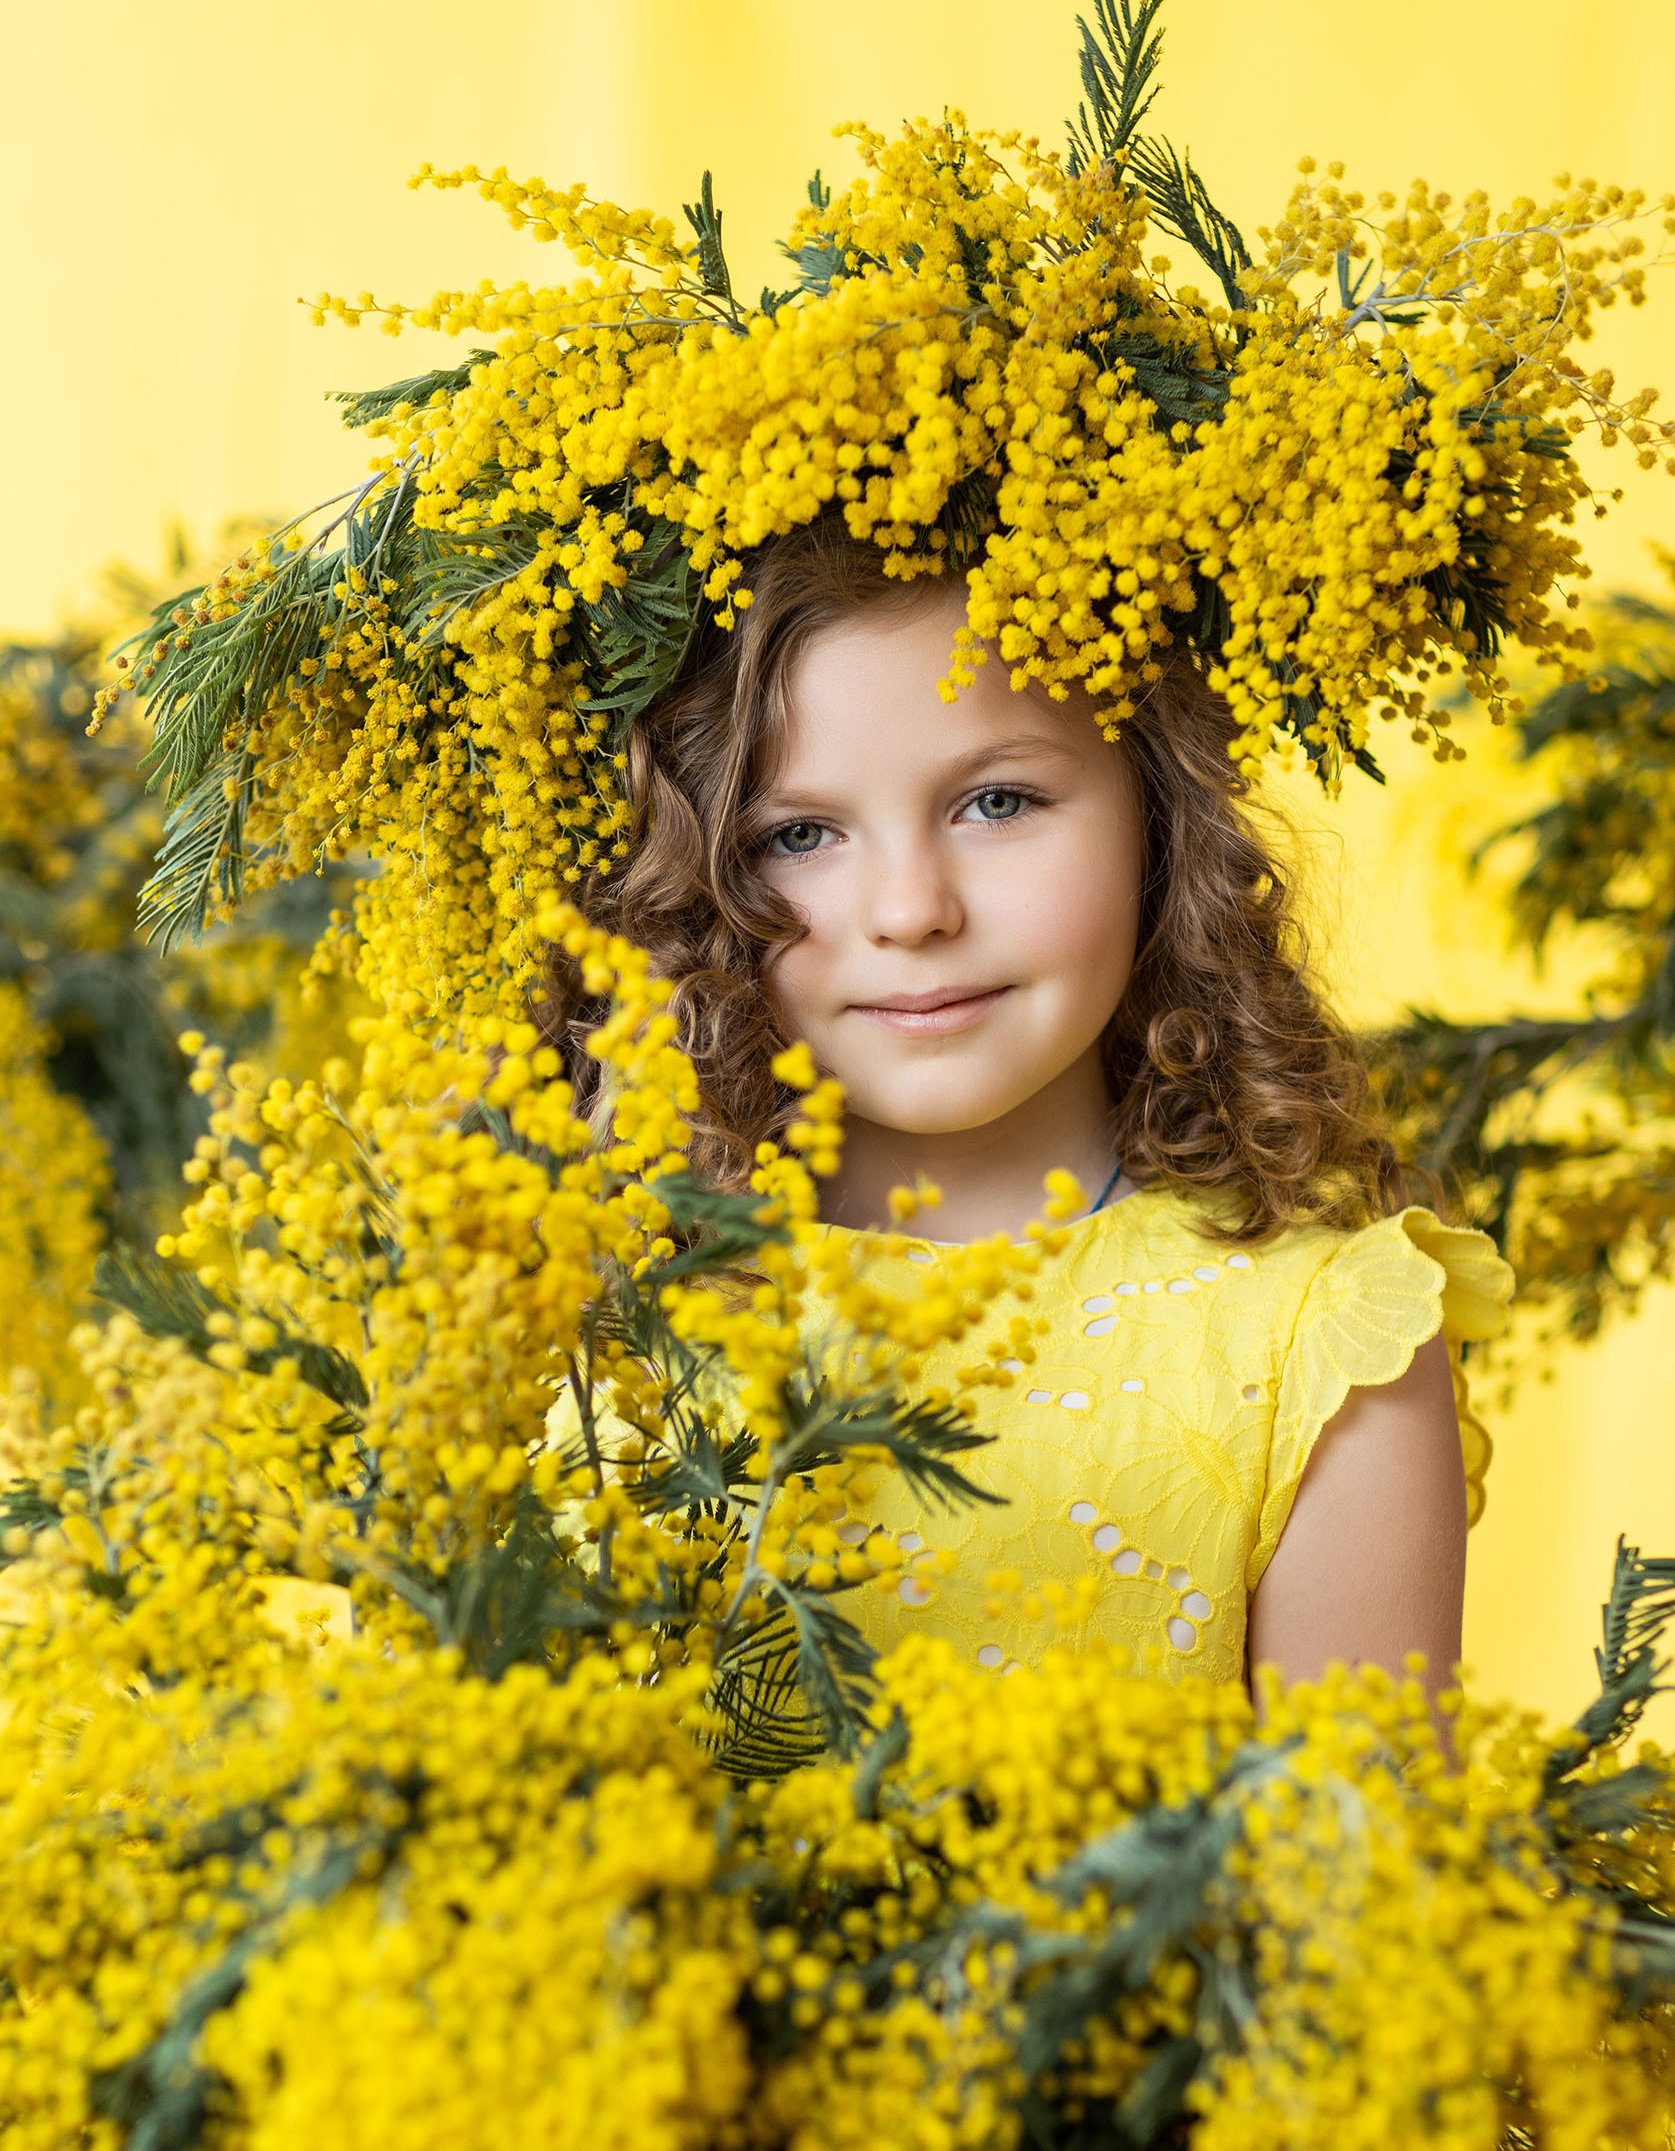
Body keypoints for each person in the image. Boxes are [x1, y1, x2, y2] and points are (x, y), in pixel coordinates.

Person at [563, 511, 1512, 1700]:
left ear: (1160, 818)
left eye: (997, 802)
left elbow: (1360, 1873)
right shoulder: (580, 1299)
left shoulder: (1317, 1347)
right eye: (799, 835)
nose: (911, 910)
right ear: (687, 879)